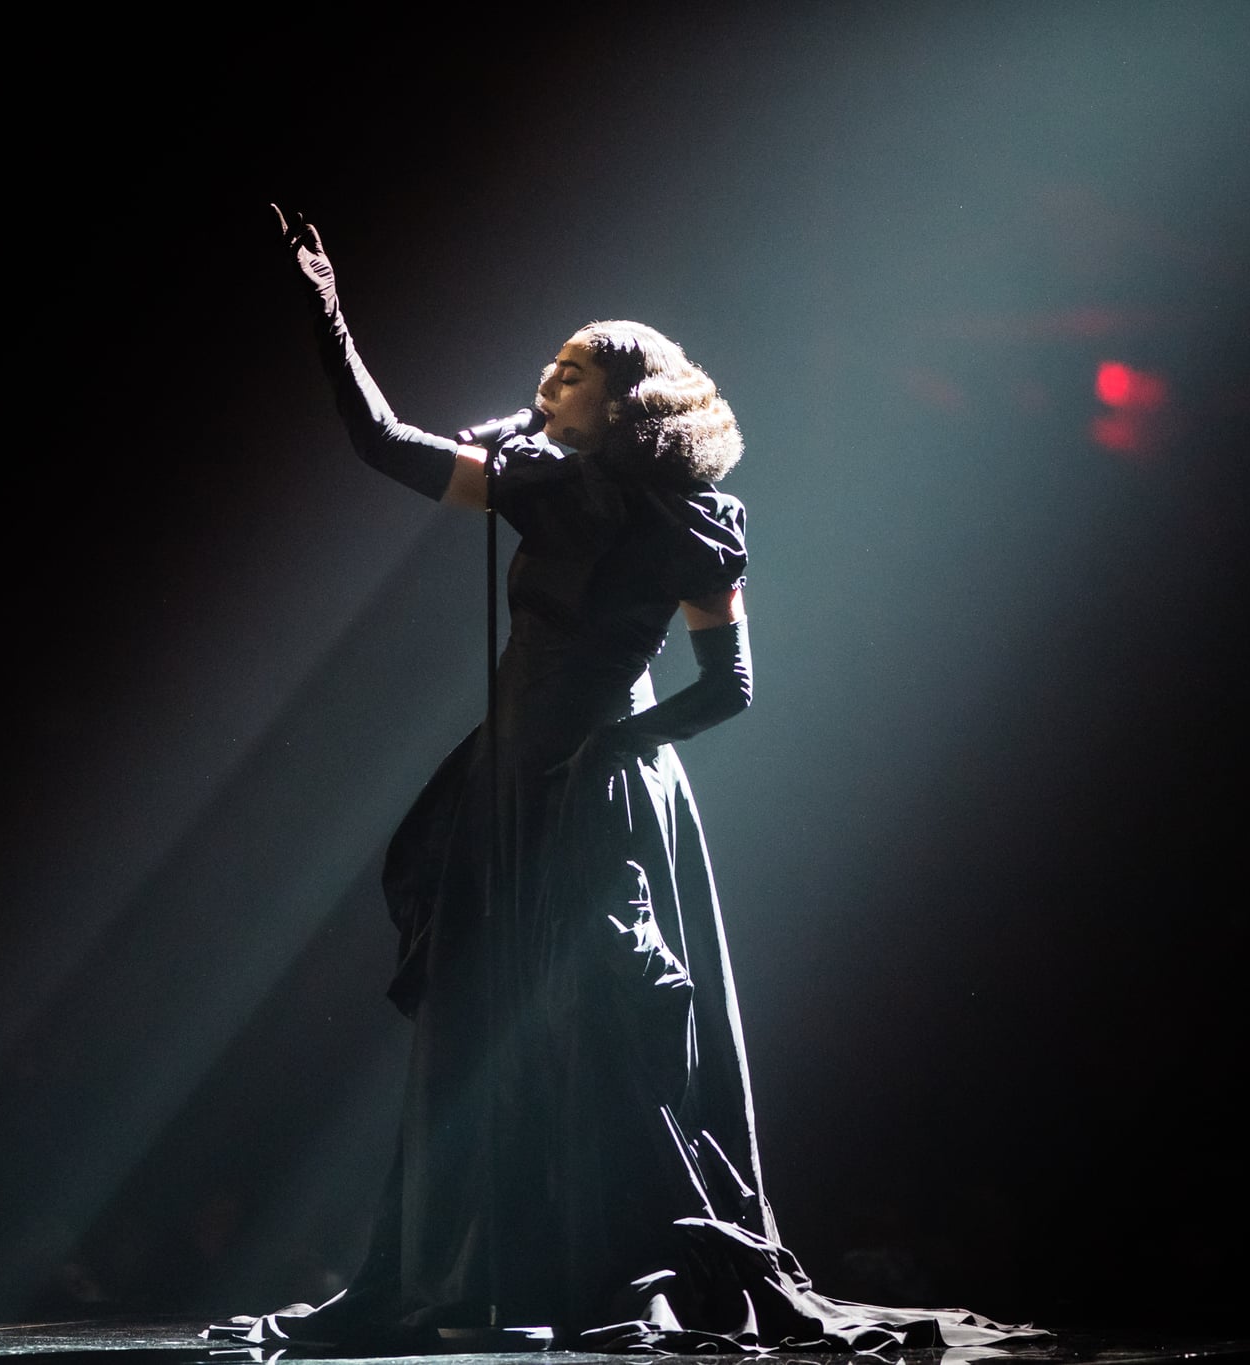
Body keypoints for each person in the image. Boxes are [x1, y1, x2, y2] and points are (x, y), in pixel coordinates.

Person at [209, 208, 1042, 1354]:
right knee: (476, 1021)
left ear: (629, 400)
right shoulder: (534, 487)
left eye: (572, 370)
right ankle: (457, 1272)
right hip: (508, 777)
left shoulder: (693, 528)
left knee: (604, 1023)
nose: (547, 381)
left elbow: (728, 686)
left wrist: (614, 747)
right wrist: (327, 313)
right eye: (548, 365)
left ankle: (631, 1268)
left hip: (599, 787)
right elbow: (383, 442)